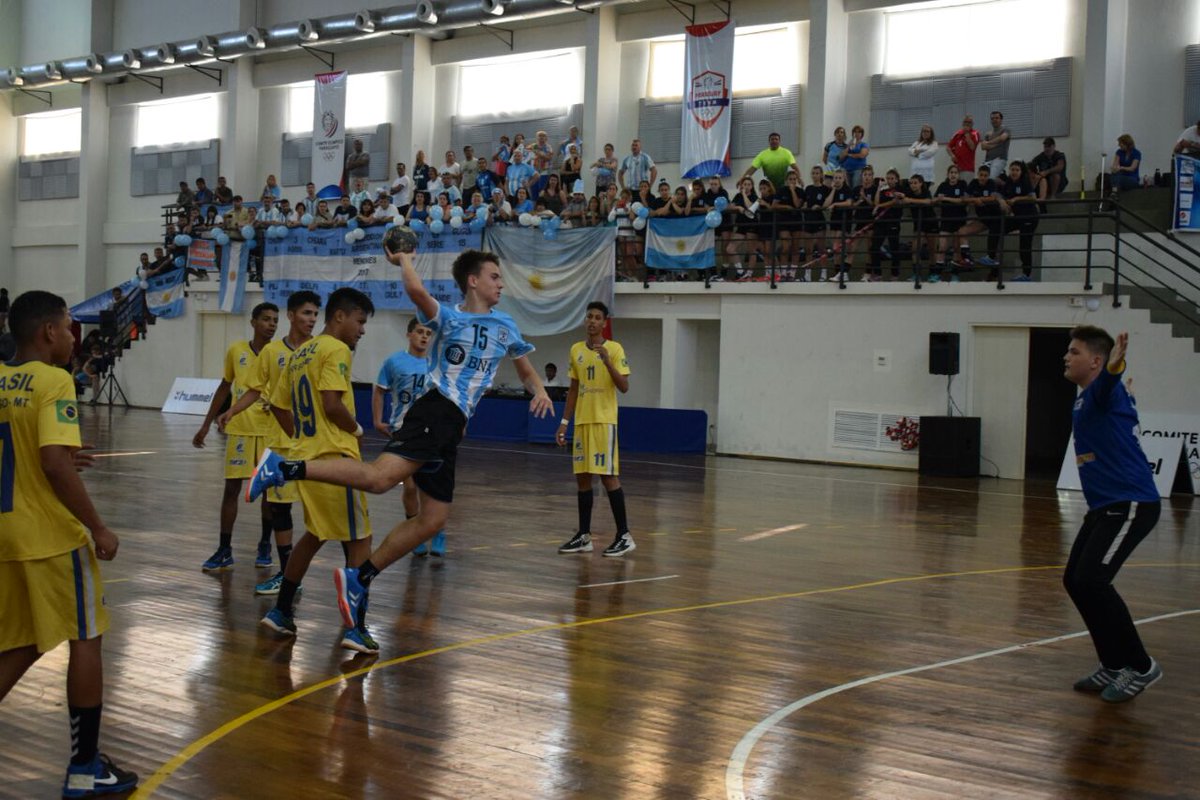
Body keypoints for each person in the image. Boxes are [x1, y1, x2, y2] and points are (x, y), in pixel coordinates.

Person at [246, 249, 553, 646]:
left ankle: (360, 578)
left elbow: (526, 370)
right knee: (378, 480)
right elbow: (414, 290)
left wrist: (541, 391)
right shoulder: (451, 318)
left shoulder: (506, 325)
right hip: (435, 410)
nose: (501, 283)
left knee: (433, 519)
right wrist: (405, 257)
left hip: (453, 427)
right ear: (473, 281)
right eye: (495, 276)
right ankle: (284, 469)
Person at [0, 291, 139, 798]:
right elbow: (56, 462)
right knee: (86, 636)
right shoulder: (55, 379)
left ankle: (87, 764)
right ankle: (85, 768)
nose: (73, 335)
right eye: (66, 326)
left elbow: (32, 452)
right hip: (47, 536)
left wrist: (46, 459)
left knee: (20, 641)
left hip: (5, 533)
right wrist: (99, 527)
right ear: (47, 333)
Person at [258, 288, 377, 653]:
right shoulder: (335, 349)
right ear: (339, 316)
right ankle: (356, 628)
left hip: (307, 456)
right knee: (359, 541)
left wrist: (300, 436)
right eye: (359, 322)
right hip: (335, 456)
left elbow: (277, 403)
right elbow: (330, 404)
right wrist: (358, 429)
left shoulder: (298, 354)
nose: (362, 330)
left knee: (314, 535)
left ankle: (280, 612)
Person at [1061, 326, 1162, 703]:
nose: (1066, 357)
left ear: (1096, 361)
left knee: (1094, 579)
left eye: (1074, 351)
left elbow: (1111, 378)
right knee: (1075, 580)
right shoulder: (1084, 399)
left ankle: (1141, 665)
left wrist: (1117, 365)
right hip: (1104, 506)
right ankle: (1113, 664)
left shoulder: (1104, 388)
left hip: (1130, 503)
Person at [216, 291, 321, 595]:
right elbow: (255, 389)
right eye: (306, 313)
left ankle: (296, 574)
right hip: (279, 442)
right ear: (292, 315)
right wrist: (231, 411)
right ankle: (288, 575)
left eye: (315, 314)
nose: (311, 320)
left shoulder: (320, 350)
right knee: (280, 508)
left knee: (321, 513)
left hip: (312, 443)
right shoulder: (272, 352)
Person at [192, 303, 279, 572]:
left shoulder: (281, 353)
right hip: (240, 428)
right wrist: (206, 424)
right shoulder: (236, 350)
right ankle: (224, 548)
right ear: (253, 322)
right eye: (266, 319)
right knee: (231, 489)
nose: (271, 324)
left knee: (269, 492)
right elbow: (224, 386)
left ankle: (265, 543)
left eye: (275, 320)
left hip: (270, 431)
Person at [556, 302, 634, 557]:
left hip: (604, 421)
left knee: (608, 476)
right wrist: (564, 422)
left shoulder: (614, 348)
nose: (592, 321)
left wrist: (607, 362)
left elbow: (624, 387)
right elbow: (574, 390)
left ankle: (624, 535)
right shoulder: (576, 349)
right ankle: (583, 536)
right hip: (582, 422)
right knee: (583, 478)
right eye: (589, 316)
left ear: (604, 323)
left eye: (597, 317)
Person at [372, 319, 445, 558]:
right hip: (403, 428)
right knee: (410, 485)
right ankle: (414, 530)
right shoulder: (394, 362)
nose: (424, 337)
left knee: (432, 484)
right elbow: (380, 390)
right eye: (420, 332)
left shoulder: (438, 364)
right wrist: (377, 420)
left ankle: (437, 530)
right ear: (409, 334)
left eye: (428, 333)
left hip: (433, 430)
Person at [998, 160, 1040, 280]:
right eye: (1012, 170)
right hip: (1018, 217)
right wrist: (1001, 201)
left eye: (1017, 170)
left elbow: (1033, 197)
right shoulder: (1008, 183)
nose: (1014, 172)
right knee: (998, 227)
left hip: (1029, 217)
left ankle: (1026, 275)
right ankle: (992, 259)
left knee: (1025, 245)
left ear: (1021, 172)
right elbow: (999, 194)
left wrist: (1016, 199)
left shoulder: (1025, 182)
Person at [980, 110, 1010, 179]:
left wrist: (989, 143)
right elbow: (983, 146)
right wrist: (998, 144)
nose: (994, 120)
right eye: (992, 118)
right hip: (987, 161)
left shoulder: (1006, 130)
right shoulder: (988, 133)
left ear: (1001, 119)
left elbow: (1002, 138)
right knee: (981, 178)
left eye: (996, 118)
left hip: (1000, 159)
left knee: (990, 178)